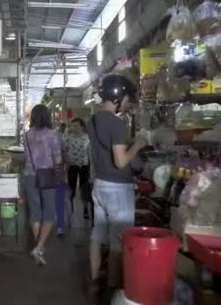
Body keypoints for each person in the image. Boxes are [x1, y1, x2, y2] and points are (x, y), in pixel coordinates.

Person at [87, 74, 147, 293]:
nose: (127, 103)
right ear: (117, 96)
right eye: (126, 98)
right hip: (118, 188)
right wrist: (138, 144)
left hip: (100, 185)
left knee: (97, 233)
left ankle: (94, 278)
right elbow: (121, 161)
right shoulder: (117, 123)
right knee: (117, 240)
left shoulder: (92, 120)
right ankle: (113, 285)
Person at [23, 104, 63, 265]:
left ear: (32, 117)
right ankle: (39, 246)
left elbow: (26, 155)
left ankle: (39, 246)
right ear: (48, 116)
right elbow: (58, 159)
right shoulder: (53, 135)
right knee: (49, 212)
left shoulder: (26, 135)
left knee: (35, 212)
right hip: (47, 176)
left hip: (29, 175)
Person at [64, 117, 91, 218]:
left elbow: (90, 153)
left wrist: (91, 167)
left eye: (76, 126)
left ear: (82, 126)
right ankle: (70, 210)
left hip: (84, 165)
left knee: (84, 188)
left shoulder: (87, 137)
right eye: (73, 126)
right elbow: (64, 149)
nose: (74, 128)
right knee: (71, 188)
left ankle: (85, 209)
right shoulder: (68, 137)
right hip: (72, 165)